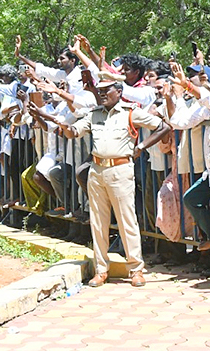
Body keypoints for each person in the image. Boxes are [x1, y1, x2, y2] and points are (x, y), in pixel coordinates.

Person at [58, 79, 172, 288]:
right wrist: (64, 127)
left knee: (126, 220)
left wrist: (142, 146)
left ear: (118, 92)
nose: (101, 94)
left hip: (121, 169)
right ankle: (101, 269)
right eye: (99, 90)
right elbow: (74, 132)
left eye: (106, 90)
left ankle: (136, 269)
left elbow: (163, 127)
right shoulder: (94, 114)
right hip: (97, 169)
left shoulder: (130, 112)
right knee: (98, 222)